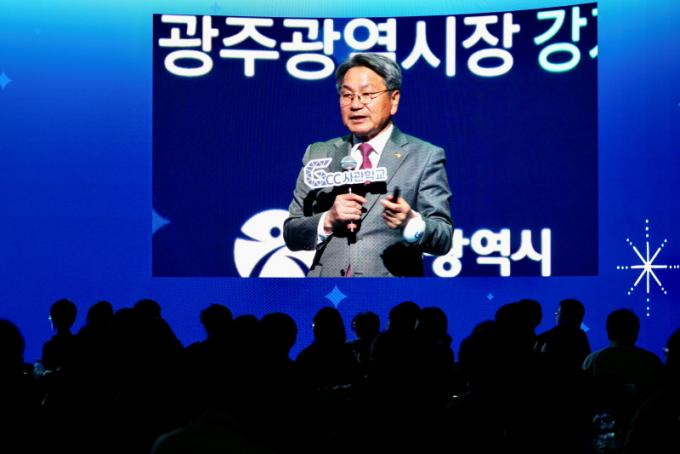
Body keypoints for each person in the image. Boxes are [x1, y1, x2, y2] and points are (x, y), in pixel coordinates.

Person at [284, 53, 453, 277]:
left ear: (394, 100)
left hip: (390, 290)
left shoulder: (424, 156)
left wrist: (412, 222)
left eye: (367, 95)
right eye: (347, 95)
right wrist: (327, 220)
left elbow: (444, 237)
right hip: (327, 289)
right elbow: (292, 233)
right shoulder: (318, 154)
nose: (355, 104)